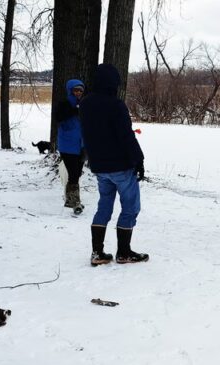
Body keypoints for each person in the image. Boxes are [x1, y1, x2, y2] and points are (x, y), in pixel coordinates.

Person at [79, 64, 148, 266]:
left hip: (100, 166)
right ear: (113, 83)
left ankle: (97, 252)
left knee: (104, 207)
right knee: (130, 207)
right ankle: (124, 252)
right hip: (121, 166)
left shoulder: (85, 104)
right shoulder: (115, 105)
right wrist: (139, 159)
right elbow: (126, 136)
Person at [54, 79, 86, 214]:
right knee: (73, 173)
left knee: (77, 173)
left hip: (81, 145)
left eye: (80, 90)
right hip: (67, 145)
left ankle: (72, 199)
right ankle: (74, 201)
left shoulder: (86, 103)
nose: (78, 93)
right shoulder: (64, 104)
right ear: (70, 90)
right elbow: (58, 117)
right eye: (75, 90)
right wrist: (74, 111)